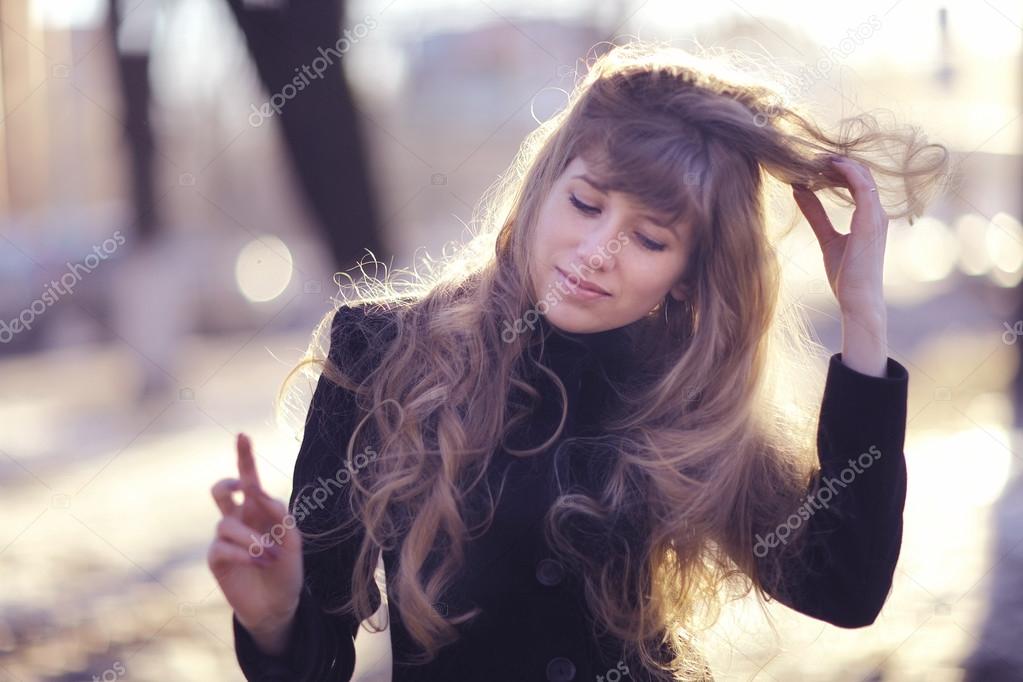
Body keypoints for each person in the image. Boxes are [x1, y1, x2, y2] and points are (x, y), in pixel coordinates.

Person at [207, 43, 949, 681]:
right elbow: (317, 662)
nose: (598, 253)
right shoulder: (381, 354)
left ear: (688, 273)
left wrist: (863, 315)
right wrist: (273, 616)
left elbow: (844, 589)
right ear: (544, 186)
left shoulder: (682, 390)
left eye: (651, 239)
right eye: (587, 205)